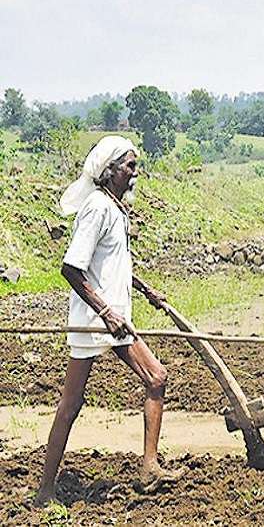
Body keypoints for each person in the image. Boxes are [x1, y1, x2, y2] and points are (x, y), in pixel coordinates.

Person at [35, 136, 182, 506]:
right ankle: (45, 492)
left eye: (135, 165)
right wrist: (105, 311)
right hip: (96, 320)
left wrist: (147, 290)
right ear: (110, 170)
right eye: (129, 166)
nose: (135, 173)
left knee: (156, 377)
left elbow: (112, 265)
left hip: (114, 321)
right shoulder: (98, 208)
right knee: (72, 404)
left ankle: (149, 467)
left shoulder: (115, 208)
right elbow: (71, 267)